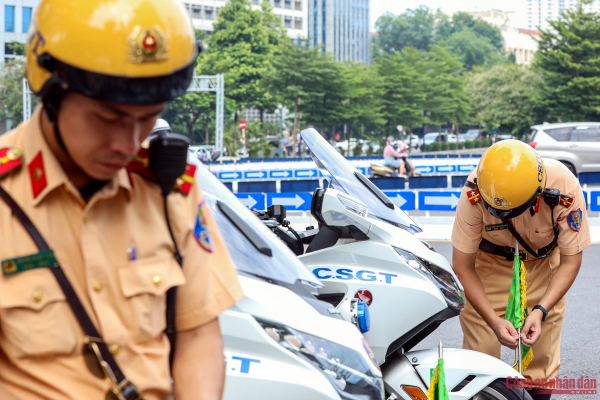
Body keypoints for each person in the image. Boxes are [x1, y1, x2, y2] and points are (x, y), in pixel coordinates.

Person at [0, 1, 243, 399]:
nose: (128, 144)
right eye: (107, 118)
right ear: (52, 92)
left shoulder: (169, 188)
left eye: (148, 118)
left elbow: (197, 334)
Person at [452, 140, 589, 400]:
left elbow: (571, 261)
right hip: (488, 265)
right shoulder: (475, 190)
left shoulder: (564, 187)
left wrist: (541, 310)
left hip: (543, 262)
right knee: (480, 353)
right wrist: (493, 321)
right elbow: (462, 266)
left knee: (540, 354)